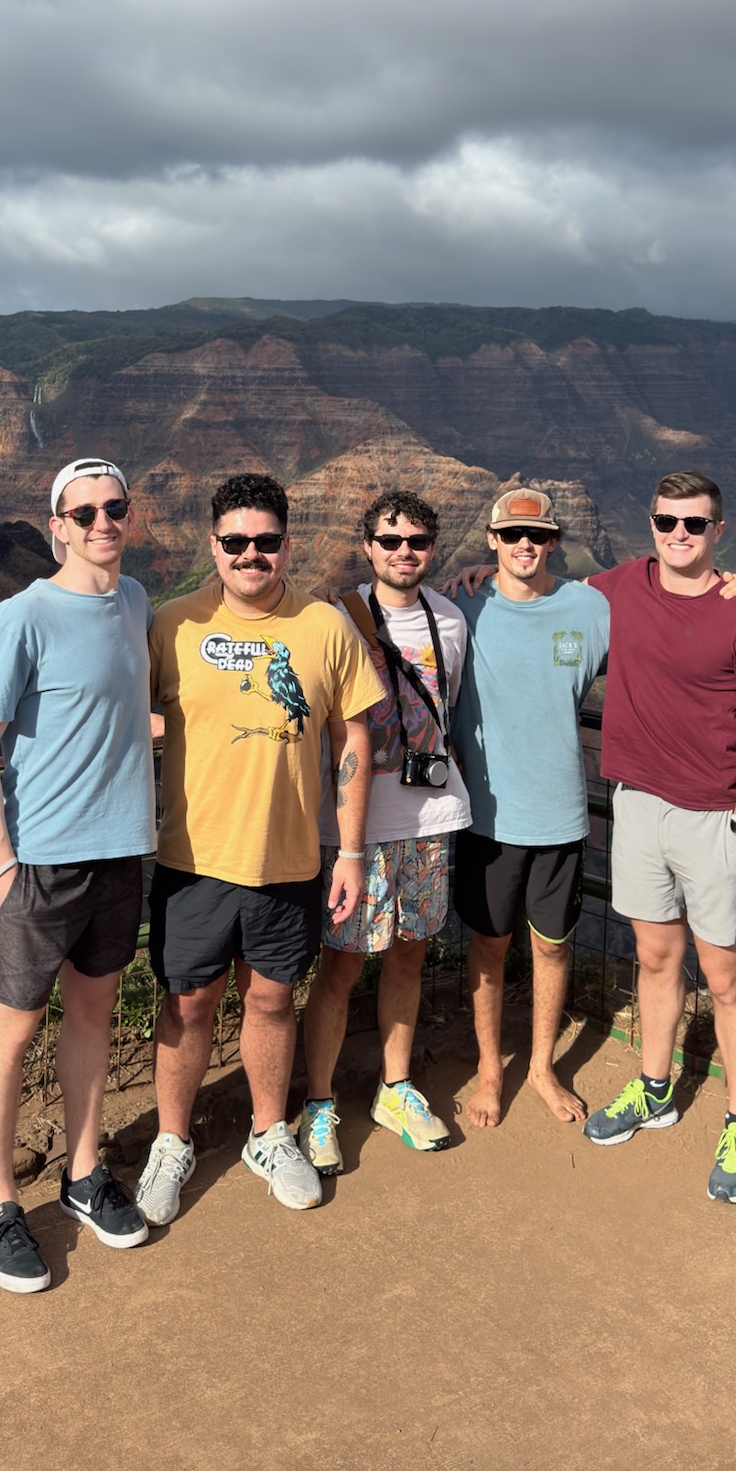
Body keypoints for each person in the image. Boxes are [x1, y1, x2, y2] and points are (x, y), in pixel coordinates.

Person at [136, 472, 384, 1220]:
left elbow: (354, 734)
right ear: (212, 546)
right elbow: (119, 707)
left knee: (273, 1000)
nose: (251, 555)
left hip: (291, 860)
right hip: (193, 859)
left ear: (286, 545)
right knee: (187, 1005)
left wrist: (350, 852)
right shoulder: (171, 624)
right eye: (236, 542)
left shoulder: (324, 626)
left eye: (265, 541)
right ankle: (172, 1143)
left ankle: (267, 1132)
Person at [0, 457, 156, 1294]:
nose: (101, 523)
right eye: (84, 514)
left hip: (120, 854)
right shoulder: (22, 616)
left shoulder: (137, 600)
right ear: (56, 528)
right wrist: (4, 867)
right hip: (40, 862)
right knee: (10, 1028)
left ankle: (81, 1176)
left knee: (92, 1014)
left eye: (114, 508)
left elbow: (116, 705)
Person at [583, 470, 736, 1206]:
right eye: (667, 521)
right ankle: (655, 1088)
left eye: (694, 525)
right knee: (655, 956)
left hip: (713, 817)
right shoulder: (619, 587)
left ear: (718, 533)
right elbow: (541, 594)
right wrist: (478, 576)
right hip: (637, 804)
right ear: (650, 523)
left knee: (728, 977)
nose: (678, 535)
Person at [295, 491, 471, 1175]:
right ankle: (318, 1103)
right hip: (354, 828)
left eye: (419, 541)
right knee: (340, 963)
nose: (406, 552)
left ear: (434, 549)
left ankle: (395, 1090)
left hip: (428, 819)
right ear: (366, 546)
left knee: (409, 953)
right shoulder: (332, 617)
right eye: (392, 541)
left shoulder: (452, 620)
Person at [451, 487, 613, 1130]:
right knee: (490, 948)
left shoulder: (590, 607)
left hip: (561, 815)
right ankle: (493, 1070)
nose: (526, 545)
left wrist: (732, 586)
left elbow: (660, 622)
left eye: (539, 535)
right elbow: (388, 598)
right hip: (487, 817)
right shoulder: (463, 601)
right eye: (513, 534)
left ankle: (542, 1066)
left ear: (554, 541)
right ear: (491, 539)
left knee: (552, 948)